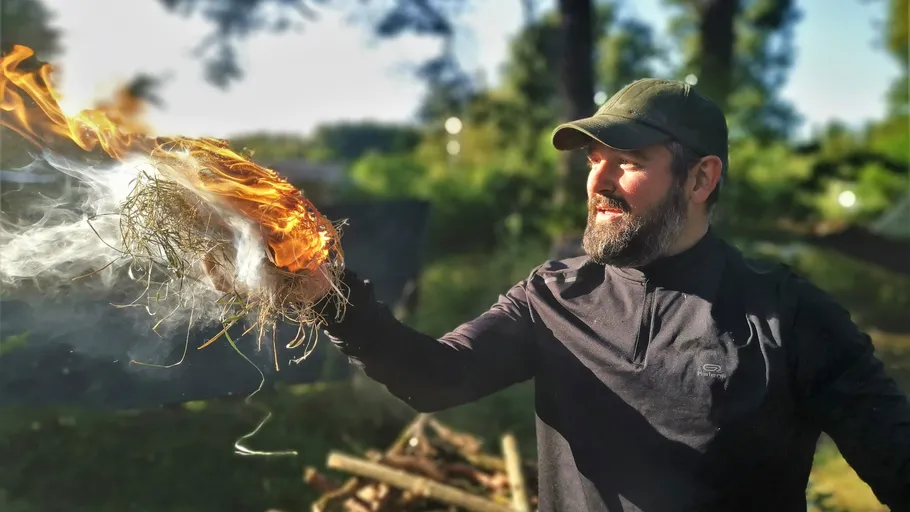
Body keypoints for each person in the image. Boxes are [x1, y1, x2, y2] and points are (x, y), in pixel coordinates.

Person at [271, 79, 910, 510]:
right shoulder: (552, 299)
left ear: (701, 178)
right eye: (591, 161)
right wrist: (330, 301)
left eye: (626, 160)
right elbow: (437, 378)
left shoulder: (788, 318)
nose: (598, 180)